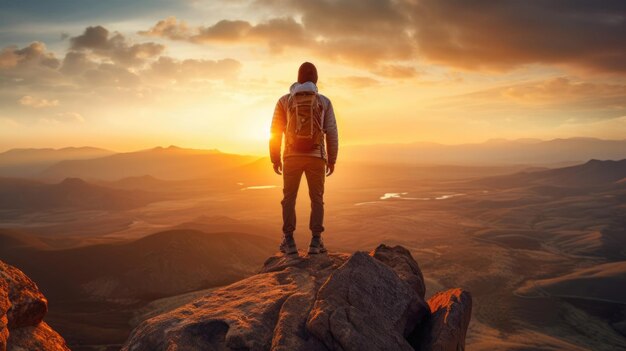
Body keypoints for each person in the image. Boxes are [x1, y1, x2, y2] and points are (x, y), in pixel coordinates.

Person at [269, 62, 338, 255]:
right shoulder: (324, 101)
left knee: (289, 198)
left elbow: (275, 131)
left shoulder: (285, 100)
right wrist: (332, 158)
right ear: (316, 79)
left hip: (291, 156)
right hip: (317, 157)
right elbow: (331, 131)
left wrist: (275, 158)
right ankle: (316, 242)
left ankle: (289, 241)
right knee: (317, 199)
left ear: (298, 77)